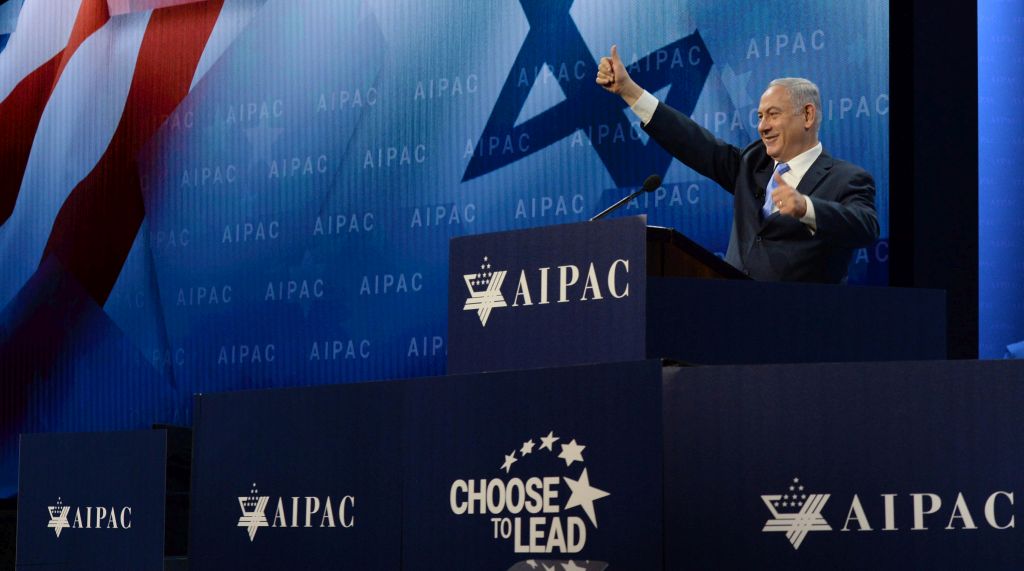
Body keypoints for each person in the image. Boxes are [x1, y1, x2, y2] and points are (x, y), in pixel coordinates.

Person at [596, 45, 879, 283]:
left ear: (807, 115)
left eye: (773, 115)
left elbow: (865, 226)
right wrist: (630, 92)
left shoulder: (847, 178)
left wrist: (805, 207)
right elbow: (694, 143)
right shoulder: (753, 163)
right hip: (730, 320)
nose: (763, 127)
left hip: (798, 329)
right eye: (759, 117)